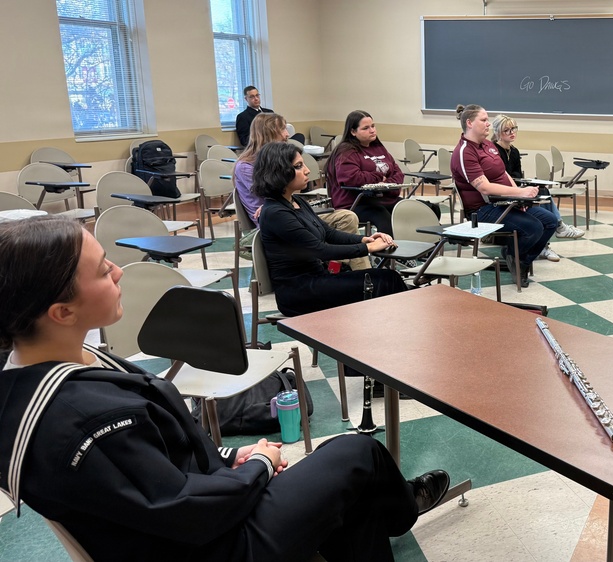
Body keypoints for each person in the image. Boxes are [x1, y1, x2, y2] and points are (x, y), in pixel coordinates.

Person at [0, 215, 450, 562]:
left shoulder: (45, 371)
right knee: (358, 454)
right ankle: (403, 507)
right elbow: (185, 512)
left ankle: (381, 512)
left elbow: (149, 471)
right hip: (215, 545)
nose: (119, 273)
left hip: (194, 517)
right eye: (102, 271)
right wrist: (255, 466)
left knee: (351, 501)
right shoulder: (83, 417)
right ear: (61, 311)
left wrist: (223, 459)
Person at [253, 141, 407, 317]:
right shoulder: (275, 212)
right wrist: (368, 249)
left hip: (317, 280)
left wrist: (365, 239)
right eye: (298, 166)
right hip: (298, 292)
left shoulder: (296, 201)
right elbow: (321, 251)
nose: (307, 170)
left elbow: (328, 233)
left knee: (387, 278)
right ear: (279, 172)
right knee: (386, 280)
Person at [235, 113, 369, 272]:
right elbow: (272, 196)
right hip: (273, 223)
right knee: (346, 219)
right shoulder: (246, 166)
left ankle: (341, 267)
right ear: (268, 133)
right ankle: (348, 270)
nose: (287, 134)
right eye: (282, 129)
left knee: (346, 217)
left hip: (290, 212)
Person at [451, 104, 558, 287]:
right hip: (483, 210)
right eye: (483, 120)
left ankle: (519, 259)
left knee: (550, 221)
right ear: (469, 123)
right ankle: (516, 258)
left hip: (504, 202)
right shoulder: (464, 152)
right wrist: (521, 192)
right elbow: (484, 188)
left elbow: (504, 174)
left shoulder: (488, 145)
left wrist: (521, 198)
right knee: (533, 228)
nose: (488, 124)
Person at [328, 110, 440, 237]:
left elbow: (397, 173)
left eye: (373, 126)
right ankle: (387, 254)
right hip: (356, 203)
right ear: (353, 132)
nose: (372, 130)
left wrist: (385, 183)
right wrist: (379, 176)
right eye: (366, 128)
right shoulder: (346, 152)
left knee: (429, 208)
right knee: (382, 215)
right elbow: (352, 178)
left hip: (383, 198)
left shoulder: (377, 147)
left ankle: (427, 250)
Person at [491, 114, 584, 264]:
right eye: (506, 130)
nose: (512, 133)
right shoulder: (494, 152)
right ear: (497, 132)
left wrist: (527, 184)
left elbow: (516, 175)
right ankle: (555, 231)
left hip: (516, 187)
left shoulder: (513, 151)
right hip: (505, 193)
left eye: (513, 129)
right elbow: (502, 177)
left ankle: (553, 232)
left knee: (542, 190)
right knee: (540, 193)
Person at [235, 86, 303, 146]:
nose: (256, 98)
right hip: (264, 145)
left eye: (257, 95)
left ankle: (289, 153)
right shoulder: (242, 116)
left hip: (279, 141)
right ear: (246, 99)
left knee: (299, 136)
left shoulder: (269, 112)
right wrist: (266, 137)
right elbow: (244, 141)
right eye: (252, 96)